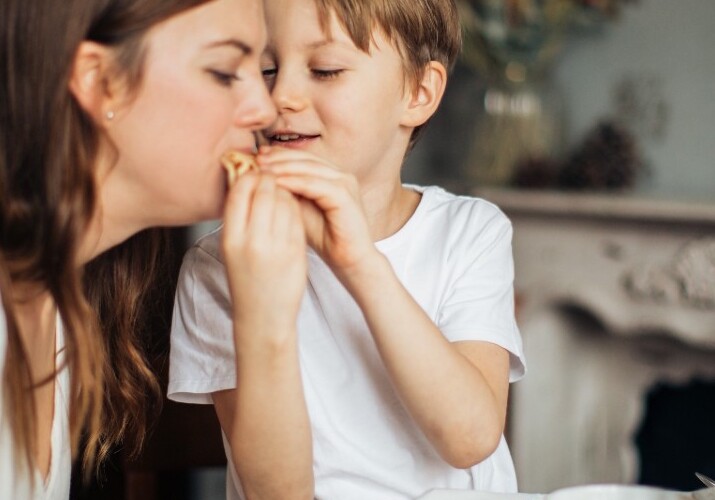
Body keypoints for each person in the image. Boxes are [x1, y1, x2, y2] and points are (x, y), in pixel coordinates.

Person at [168, 0, 527, 498]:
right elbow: (276, 493)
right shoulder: (221, 266)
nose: (281, 96)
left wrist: (359, 263)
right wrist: (263, 306)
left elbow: (469, 439)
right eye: (266, 69)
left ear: (419, 93)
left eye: (326, 69)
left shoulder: (471, 232)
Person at [0, 0, 280, 497]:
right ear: (99, 80)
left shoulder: (58, 310)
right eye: (223, 72)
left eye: (261, 71)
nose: (265, 109)